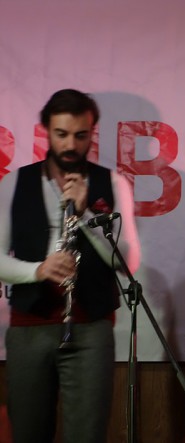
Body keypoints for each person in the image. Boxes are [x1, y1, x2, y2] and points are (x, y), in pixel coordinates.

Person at [0, 88, 140, 443]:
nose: (70, 145)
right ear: (46, 131)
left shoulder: (113, 182)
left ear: (92, 133)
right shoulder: (14, 182)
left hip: (91, 327)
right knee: (28, 433)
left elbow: (128, 261)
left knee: (88, 434)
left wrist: (86, 214)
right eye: (61, 134)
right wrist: (37, 270)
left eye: (80, 135)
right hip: (29, 327)